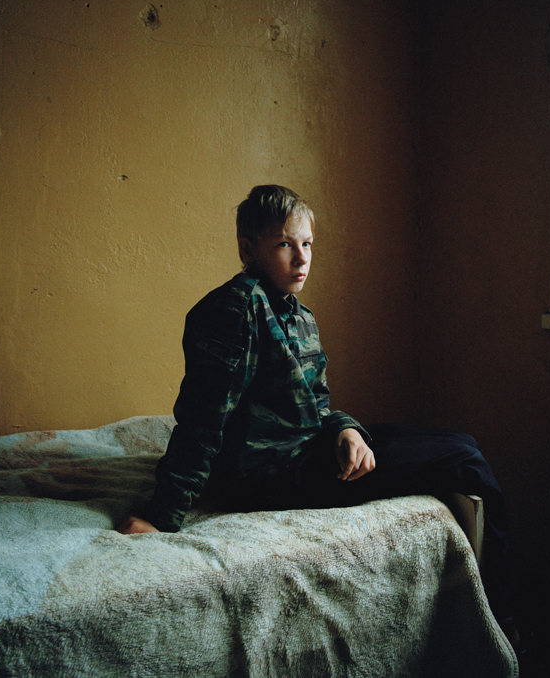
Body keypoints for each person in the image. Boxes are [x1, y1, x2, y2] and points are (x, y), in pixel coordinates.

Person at [118, 184, 519, 648]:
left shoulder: (300, 317)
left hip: (306, 449)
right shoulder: (235, 308)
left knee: (463, 443)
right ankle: (505, 621)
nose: (301, 258)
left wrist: (345, 430)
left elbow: (318, 405)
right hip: (271, 475)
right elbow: (203, 420)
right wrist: (161, 517)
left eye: (307, 243)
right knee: (465, 461)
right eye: (284, 244)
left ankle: (501, 606)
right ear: (248, 250)